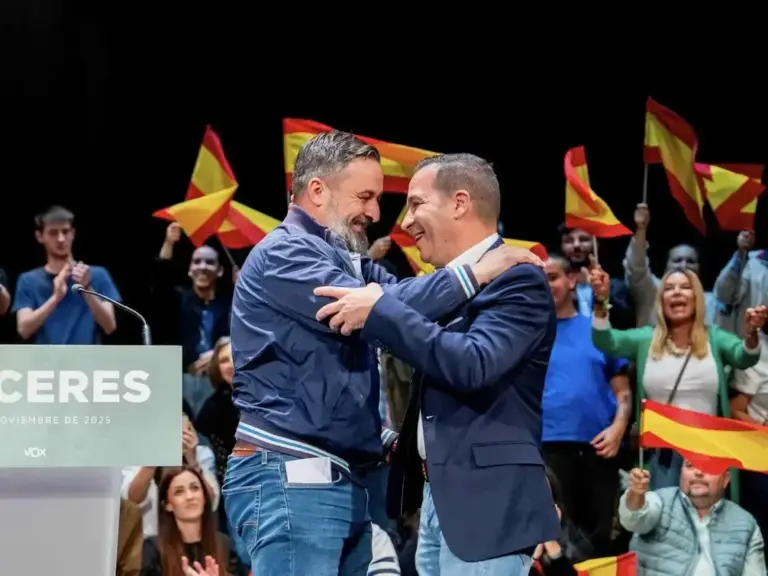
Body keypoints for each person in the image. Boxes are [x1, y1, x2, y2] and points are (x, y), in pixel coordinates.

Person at [224, 133, 539, 576]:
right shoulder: (285, 253)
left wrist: (384, 436)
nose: (376, 213)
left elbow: (394, 301)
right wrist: (474, 272)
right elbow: (388, 310)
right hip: (292, 474)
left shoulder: (343, 258)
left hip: (336, 479)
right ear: (317, 190)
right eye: (366, 197)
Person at [314, 153, 559, 575]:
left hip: (487, 506)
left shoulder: (519, 279)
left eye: (415, 204)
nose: (405, 222)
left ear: (460, 203)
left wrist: (380, 311)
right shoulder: (447, 282)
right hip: (438, 499)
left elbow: (472, 364)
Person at [588, 262, 767, 495]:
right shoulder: (645, 339)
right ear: (661, 300)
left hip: (707, 450)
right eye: (669, 288)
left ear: (697, 297)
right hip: (663, 454)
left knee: (705, 522)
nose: (677, 292)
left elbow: (744, 357)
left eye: (685, 287)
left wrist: (751, 334)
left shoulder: (715, 338)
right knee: (663, 522)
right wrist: (601, 303)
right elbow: (606, 341)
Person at [541, 254, 631, 556]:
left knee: (601, 542)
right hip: (547, 451)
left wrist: (619, 428)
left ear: (571, 281)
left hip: (598, 450)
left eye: (552, 277)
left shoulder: (598, 330)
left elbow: (624, 393)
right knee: (559, 543)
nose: (546, 285)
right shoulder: (527, 335)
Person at [619, 462, 765, 575]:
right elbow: (633, 520)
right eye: (690, 466)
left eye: (709, 466)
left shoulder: (746, 524)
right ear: (681, 472)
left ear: (726, 478)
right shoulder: (659, 500)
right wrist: (636, 494)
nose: (698, 473)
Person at [13, 205, 120, 343]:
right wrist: (56, 297)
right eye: (53, 233)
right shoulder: (27, 280)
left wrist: (86, 288)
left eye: (65, 231)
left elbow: (110, 326)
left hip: (88, 362)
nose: (61, 239)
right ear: (39, 236)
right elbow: (23, 330)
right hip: (46, 363)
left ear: (73, 233)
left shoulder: (97, 274)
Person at [141, 466, 226, 576]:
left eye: (195, 488)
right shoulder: (154, 548)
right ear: (168, 504)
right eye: (179, 492)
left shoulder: (224, 544)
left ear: (204, 497)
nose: (190, 497)